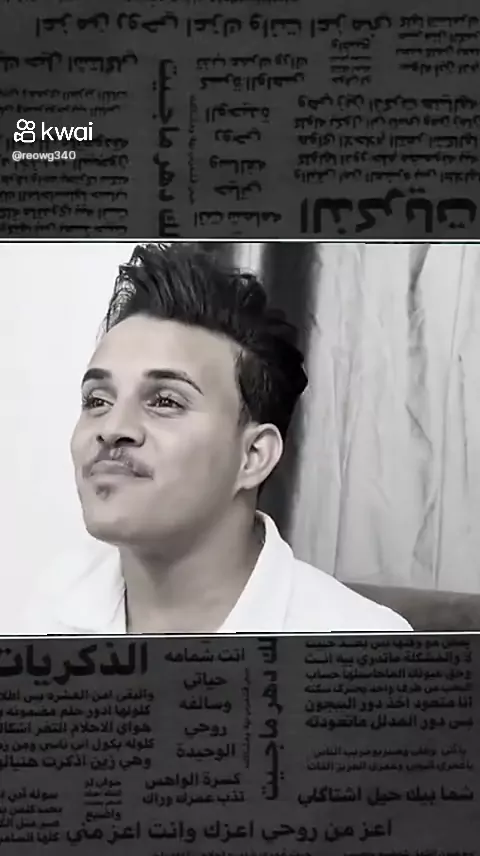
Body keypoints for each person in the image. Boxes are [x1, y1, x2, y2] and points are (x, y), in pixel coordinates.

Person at [22, 243, 411, 634]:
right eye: (97, 400)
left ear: (253, 455)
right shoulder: (45, 607)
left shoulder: (363, 641)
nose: (111, 427)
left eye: (165, 401)